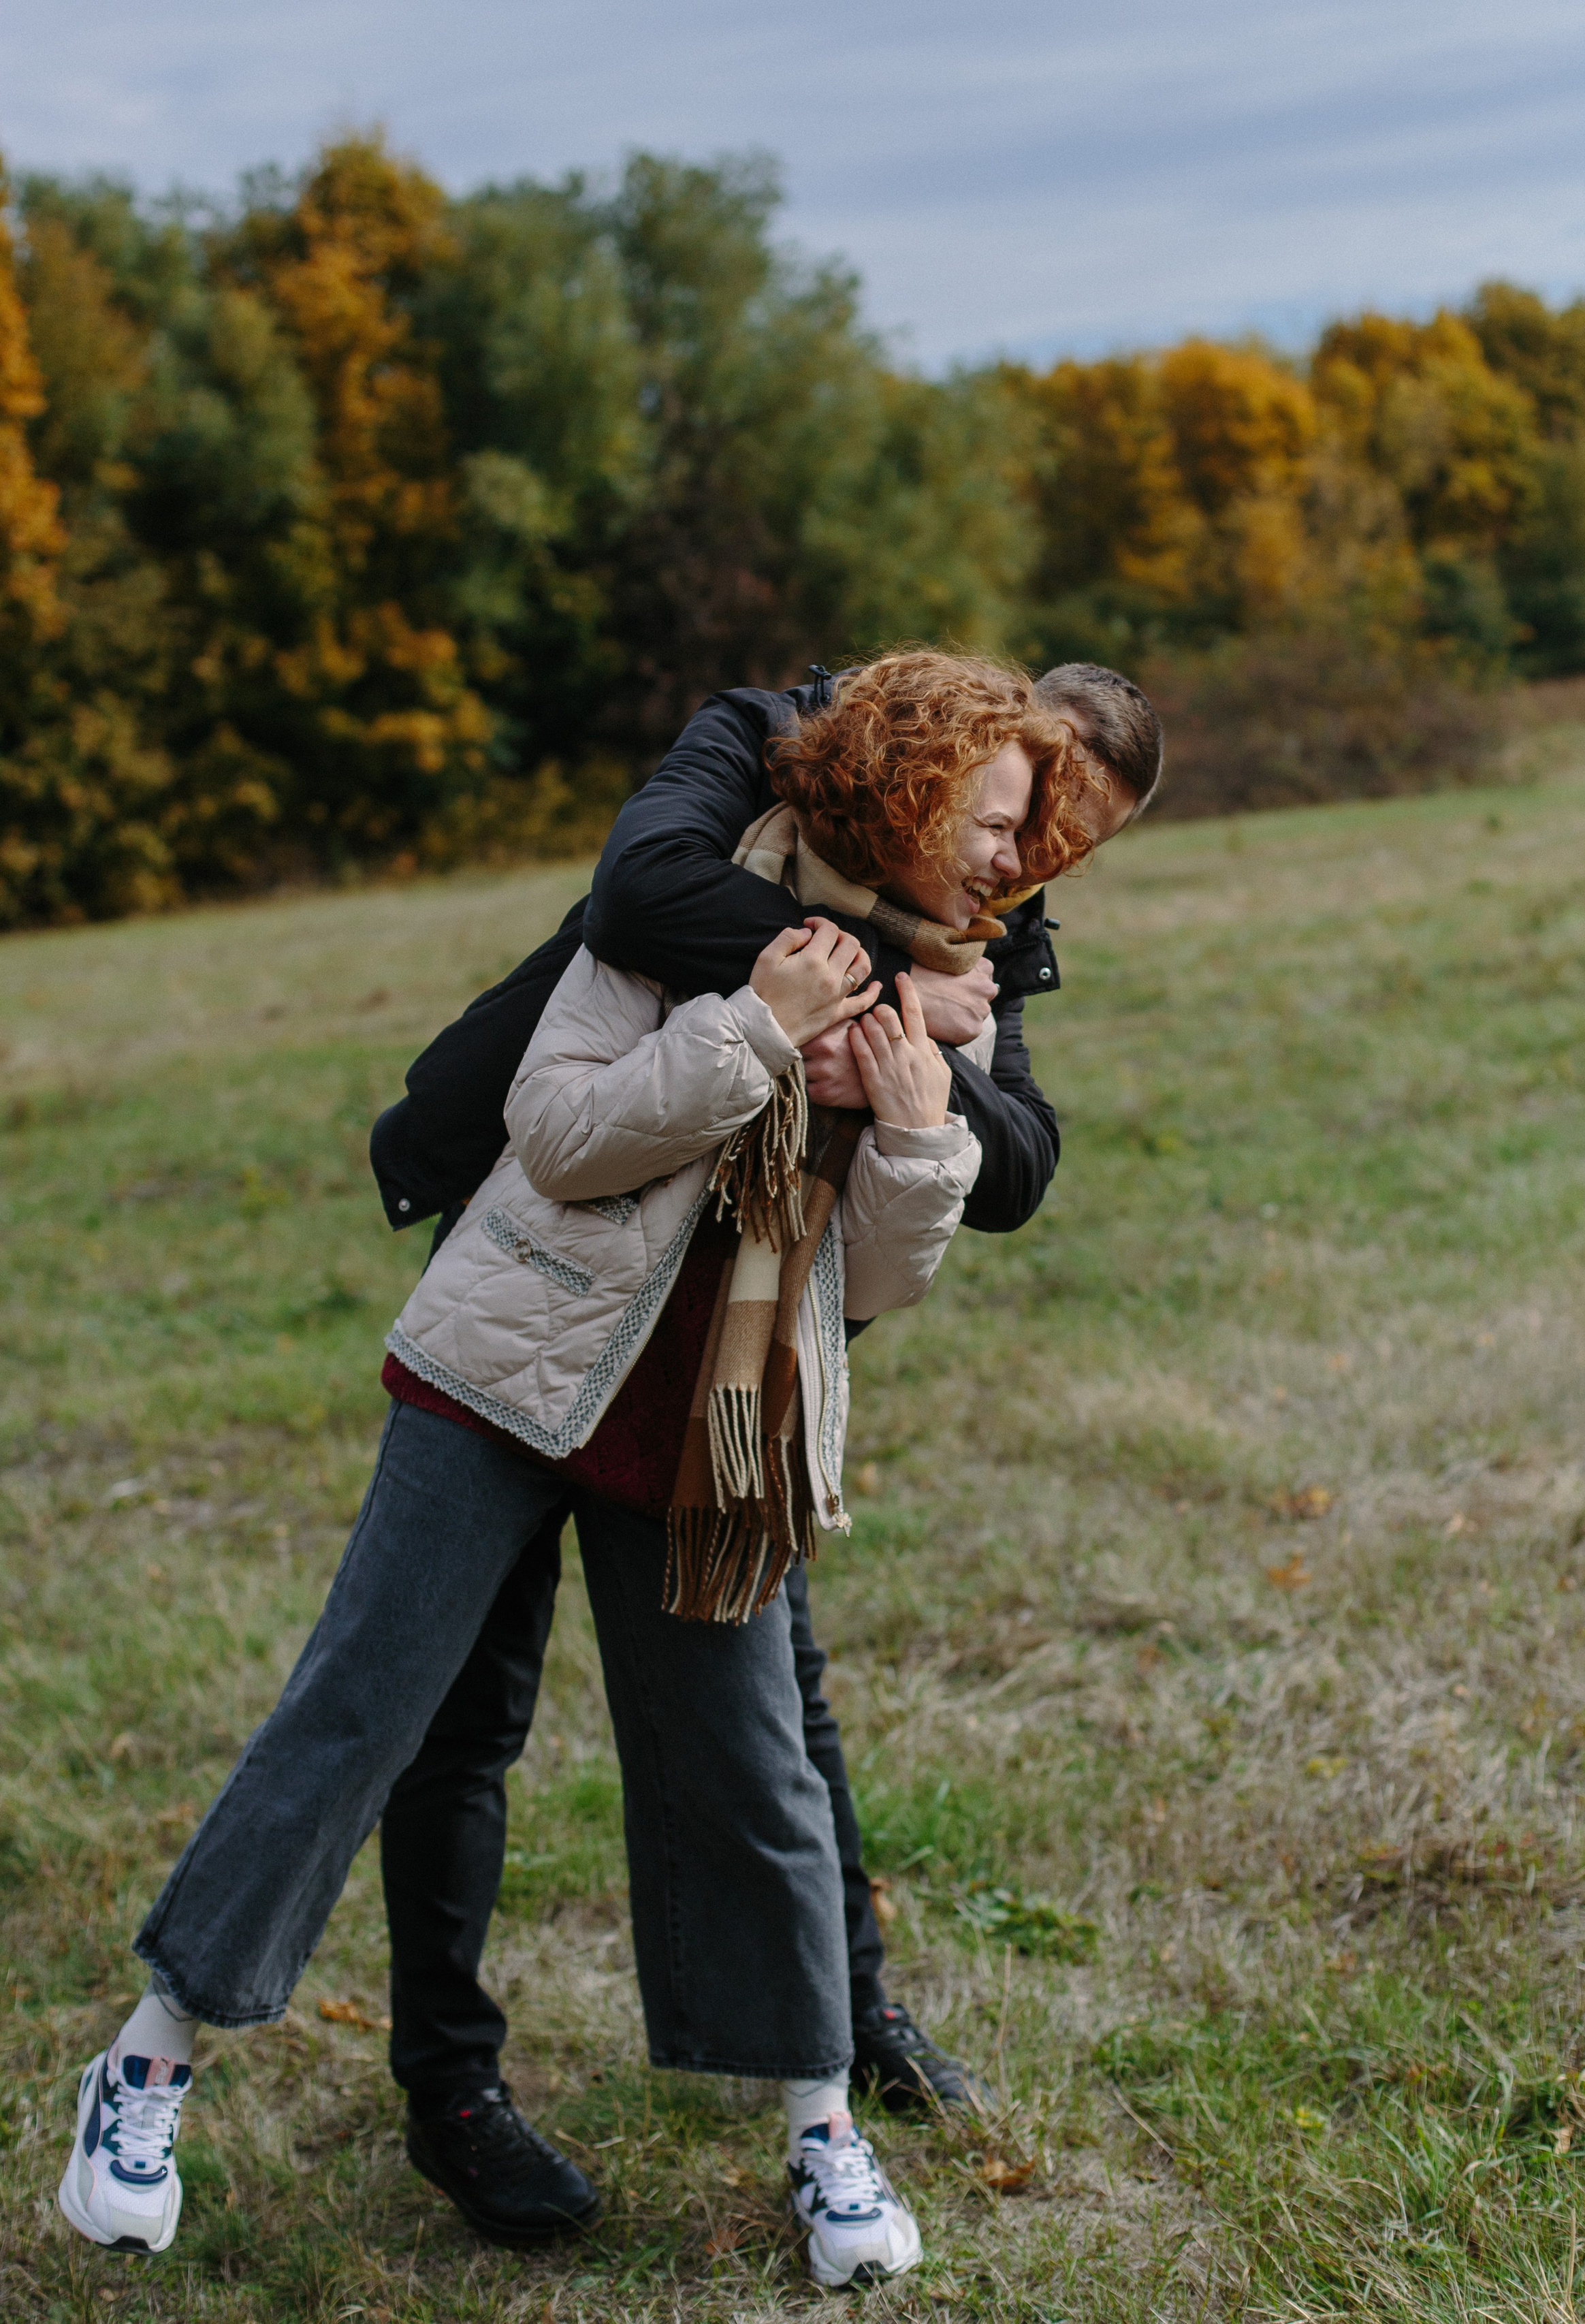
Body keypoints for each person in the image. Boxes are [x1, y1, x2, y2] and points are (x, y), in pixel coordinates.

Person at [60, 653, 1091, 2291]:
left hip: (713, 1430)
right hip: (507, 1371)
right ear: (900, 797)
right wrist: (762, 1032)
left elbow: (874, 1284)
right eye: (984, 823)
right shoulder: (705, 903)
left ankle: (822, 2128)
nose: (1005, 862)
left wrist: (911, 1133)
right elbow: (557, 1133)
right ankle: (148, 2062)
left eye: (1021, 835)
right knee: (361, 1709)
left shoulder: (955, 985)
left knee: (751, 1776)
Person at [359, 659, 1163, 2242]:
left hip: (735, 1349)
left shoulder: (991, 903)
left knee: (773, 1702)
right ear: (986, 738)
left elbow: (1016, 1162)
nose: (1032, 859)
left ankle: (841, 2025)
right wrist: (871, 978)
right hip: (562, 1264)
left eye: (1070, 842)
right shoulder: (764, 740)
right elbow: (643, 896)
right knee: (457, 1701)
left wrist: (921, 1069)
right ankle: (450, 2086)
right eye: (1030, 808)